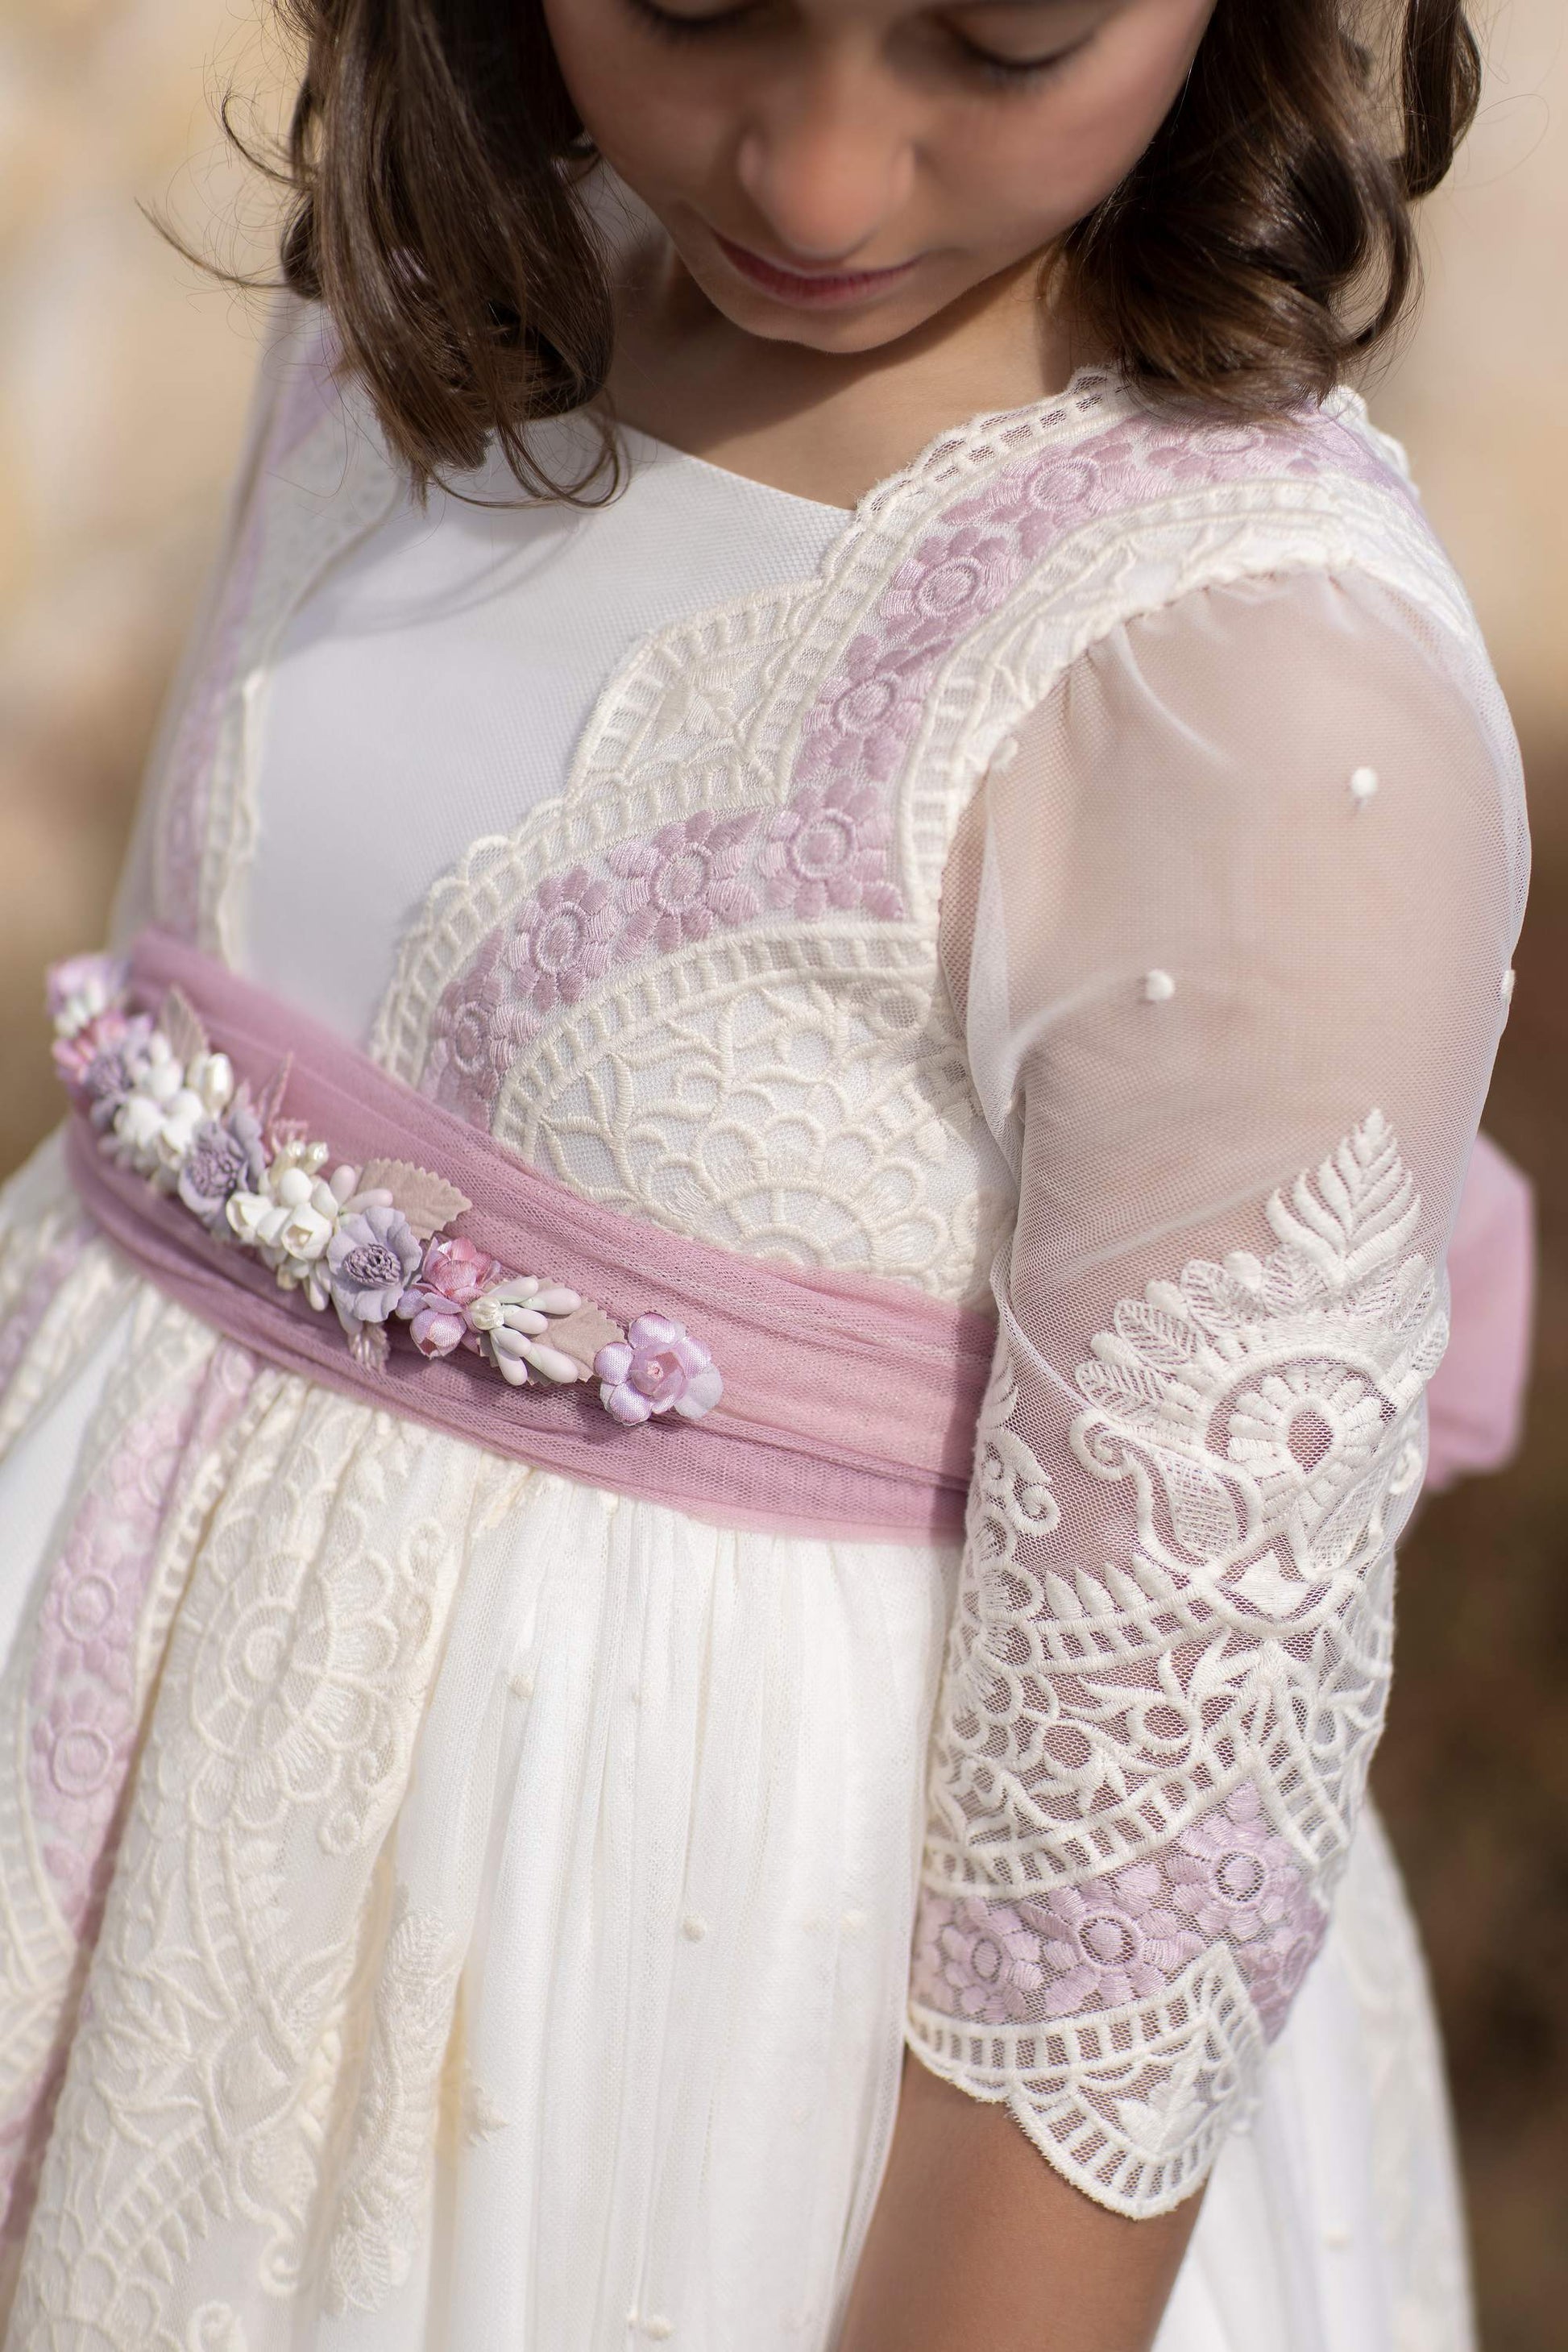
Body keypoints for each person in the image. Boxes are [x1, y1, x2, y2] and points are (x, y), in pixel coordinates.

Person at [0, 0, 1534, 2344]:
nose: (815, 182)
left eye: (1004, 42)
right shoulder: (433, 303)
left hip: (648, 2064)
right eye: (696, 3)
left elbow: (1125, 1910)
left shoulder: (1239, 680)